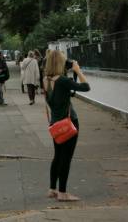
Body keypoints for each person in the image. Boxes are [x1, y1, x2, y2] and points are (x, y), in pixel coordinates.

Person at [44, 49, 90, 202]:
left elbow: (59, 98)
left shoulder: (46, 80)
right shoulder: (62, 81)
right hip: (68, 123)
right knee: (66, 158)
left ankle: (52, 189)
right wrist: (78, 70)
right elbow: (86, 87)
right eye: (64, 60)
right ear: (59, 63)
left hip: (55, 124)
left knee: (57, 156)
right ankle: (63, 193)